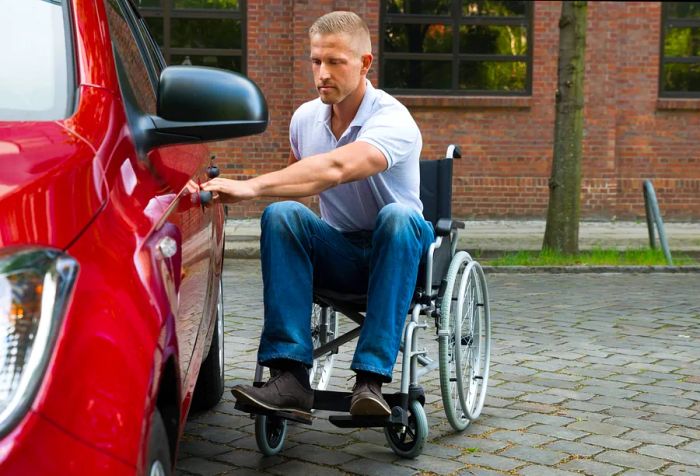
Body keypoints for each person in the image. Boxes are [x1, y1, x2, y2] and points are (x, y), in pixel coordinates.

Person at [202, 11, 434, 420]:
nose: (322, 73)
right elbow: (298, 182)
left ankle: (370, 381)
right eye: (316, 61)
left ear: (364, 64)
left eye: (335, 62)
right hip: (340, 252)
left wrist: (251, 185)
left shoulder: (392, 118)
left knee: (397, 217)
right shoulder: (305, 119)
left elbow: (337, 169)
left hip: (398, 258)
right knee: (282, 214)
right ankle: (289, 377)